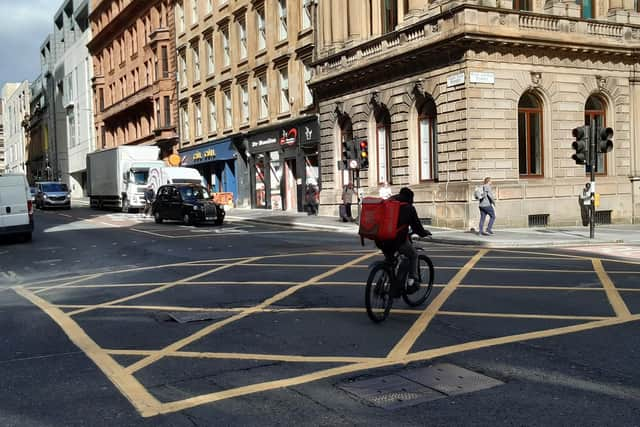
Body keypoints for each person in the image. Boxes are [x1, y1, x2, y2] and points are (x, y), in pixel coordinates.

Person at [378, 187, 431, 293]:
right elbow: (416, 227)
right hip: (396, 240)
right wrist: (424, 233)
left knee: (390, 260)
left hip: (380, 239)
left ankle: (379, 286)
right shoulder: (408, 207)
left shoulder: (389, 202)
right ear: (410, 198)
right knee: (413, 255)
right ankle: (412, 281)